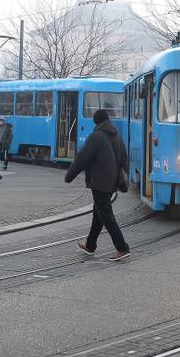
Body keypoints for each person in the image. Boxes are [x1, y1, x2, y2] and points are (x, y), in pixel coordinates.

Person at [65, 109, 130, 261]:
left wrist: (69, 176)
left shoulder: (96, 136)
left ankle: (122, 248)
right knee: (98, 213)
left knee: (106, 215)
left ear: (95, 121)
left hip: (100, 182)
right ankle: (90, 245)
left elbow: (82, 157)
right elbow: (124, 160)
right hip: (112, 180)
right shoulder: (117, 136)